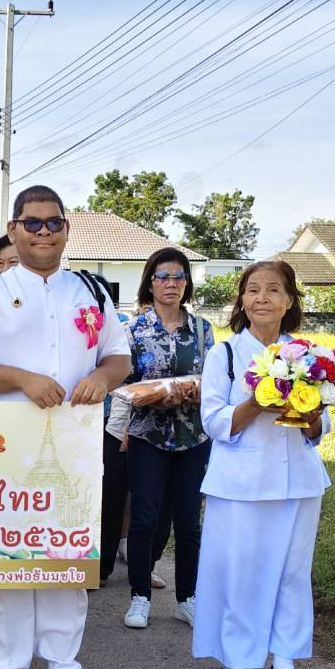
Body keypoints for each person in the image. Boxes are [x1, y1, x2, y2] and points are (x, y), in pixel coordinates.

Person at [0, 185, 130, 669]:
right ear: (12, 228)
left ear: (67, 229)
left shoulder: (91, 290)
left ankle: (64, 668)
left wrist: (99, 375)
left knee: (63, 553)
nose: (44, 233)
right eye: (33, 223)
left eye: (53, 223)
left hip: (71, 444)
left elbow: (118, 356)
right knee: (4, 554)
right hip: (4, 443)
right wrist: (21, 379)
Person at [194, 260, 330, 669]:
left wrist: (311, 417)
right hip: (240, 482)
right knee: (242, 569)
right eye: (253, 290)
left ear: (289, 300)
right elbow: (213, 422)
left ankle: (284, 661)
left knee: (292, 572)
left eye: (273, 290)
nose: (262, 298)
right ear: (242, 300)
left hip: (298, 482)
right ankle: (237, 660)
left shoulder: (308, 355)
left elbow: (321, 426)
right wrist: (258, 400)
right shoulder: (226, 354)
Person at [121, 247, 215, 631]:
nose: (171, 284)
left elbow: (216, 378)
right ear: (150, 282)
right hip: (148, 436)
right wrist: (156, 395)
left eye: (178, 277)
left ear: (187, 283)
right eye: (163, 277)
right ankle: (140, 596)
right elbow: (123, 383)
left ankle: (187, 598)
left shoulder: (203, 329)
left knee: (189, 522)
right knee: (144, 518)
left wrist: (194, 392)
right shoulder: (134, 331)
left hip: (194, 436)